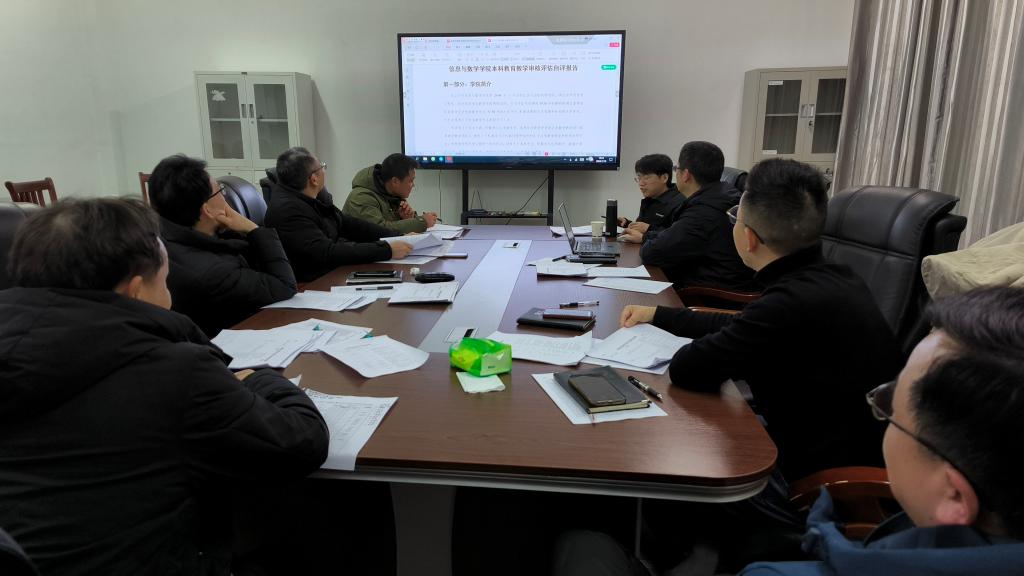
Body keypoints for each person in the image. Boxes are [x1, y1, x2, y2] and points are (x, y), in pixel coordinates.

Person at [553, 287, 1024, 575]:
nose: (878, 410)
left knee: (583, 541)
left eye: (889, 408)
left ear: (954, 496)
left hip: (797, 493)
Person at [0, 198, 328, 575]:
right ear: (136, 291)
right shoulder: (175, 372)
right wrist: (258, 376)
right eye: (165, 279)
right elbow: (302, 442)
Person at [622, 158, 903, 505]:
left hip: (814, 486)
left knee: (662, 461)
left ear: (749, 238)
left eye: (734, 220)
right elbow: (743, 324)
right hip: (843, 445)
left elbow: (688, 368)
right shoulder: (834, 278)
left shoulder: (786, 306)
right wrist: (658, 315)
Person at [148, 154, 296, 337]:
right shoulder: (214, 272)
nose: (224, 197)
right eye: (220, 191)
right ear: (207, 210)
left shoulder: (160, 240)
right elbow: (284, 286)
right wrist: (253, 229)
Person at [264, 147, 413, 282]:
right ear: (314, 179)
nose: (324, 170)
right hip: (313, 283)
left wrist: (396, 236)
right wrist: (386, 250)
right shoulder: (288, 210)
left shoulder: (312, 198)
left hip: (332, 271)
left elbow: (348, 224)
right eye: (322, 167)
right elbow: (326, 252)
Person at [625, 141, 755, 290]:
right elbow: (675, 236)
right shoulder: (724, 196)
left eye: (676, 169)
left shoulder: (703, 211)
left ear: (686, 175)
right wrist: (647, 236)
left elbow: (652, 253)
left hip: (708, 293)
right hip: (727, 281)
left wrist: (646, 239)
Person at [343, 153, 438, 233]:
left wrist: (408, 218)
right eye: (410, 181)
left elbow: (393, 226)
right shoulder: (361, 197)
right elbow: (380, 230)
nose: (413, 185)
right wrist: (422, 222)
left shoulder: (391, 194)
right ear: (395, 181)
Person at [616, 153, 684, 238]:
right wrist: (628, 224)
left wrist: (649, 229)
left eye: (646, 178)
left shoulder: (680, 202)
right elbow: (643, 228)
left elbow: (678, 236)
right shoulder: (649, 199)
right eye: (639, 178)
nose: (641, 183)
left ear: (664, 178)